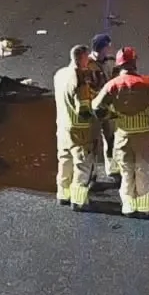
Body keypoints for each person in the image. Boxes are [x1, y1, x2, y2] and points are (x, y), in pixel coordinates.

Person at [93, 45, 149, 218]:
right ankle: (143, 207)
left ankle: (128, 206)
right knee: (144, 169)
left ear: (119, 64)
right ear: (135, 63)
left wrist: (111, 115)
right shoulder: (148, 83)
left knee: (127, 171)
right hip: (144, 134)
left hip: (123, 135)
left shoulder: (112, 85)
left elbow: (96, 107)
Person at [52, 45, 98, 211]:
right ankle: (78, 200)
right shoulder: (80, 77)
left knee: (65, 160)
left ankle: (63, 194)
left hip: (63, 126)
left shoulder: (60, 74)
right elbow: (83, 108)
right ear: (84, 58)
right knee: (82, 164)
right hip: (80, 129)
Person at [88, 34, 117, 180]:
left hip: (108, 106)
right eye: (107, 47)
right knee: (93, 142)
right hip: (94, 107)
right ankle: (91, 172)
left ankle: (112, 167)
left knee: (110, 137)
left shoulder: (109, 61)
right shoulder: (88, 65)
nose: (108, 50)